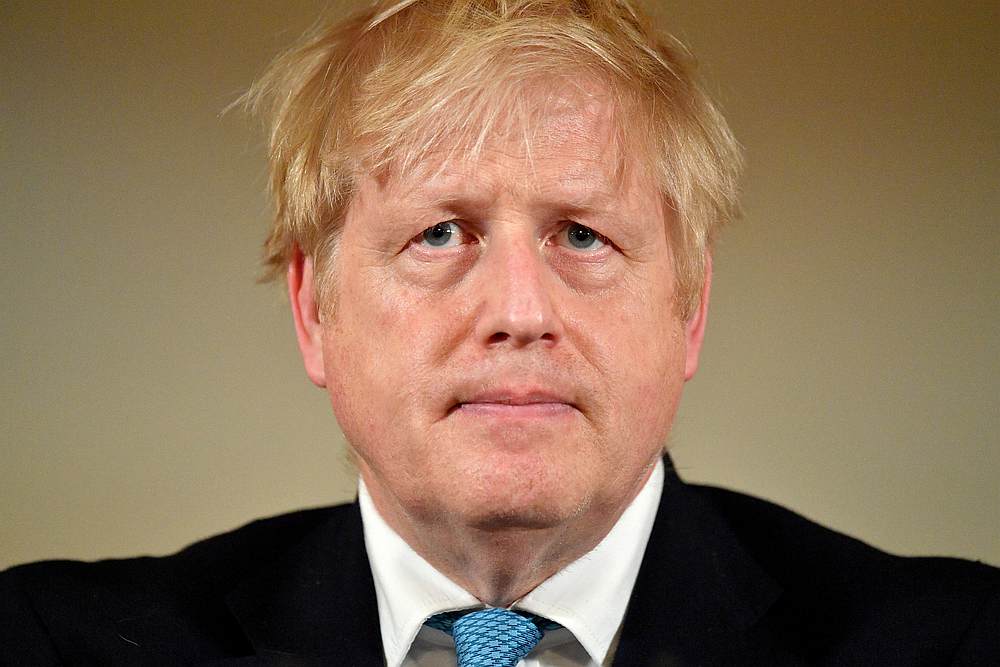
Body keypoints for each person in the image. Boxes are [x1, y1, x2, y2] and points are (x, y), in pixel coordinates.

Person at [1, 1, 997, 665]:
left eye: (582, 233)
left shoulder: (956, 643)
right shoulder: (47, 642)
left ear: (689, 308)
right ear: (314, 309)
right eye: (440, 232)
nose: (520, 311)